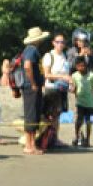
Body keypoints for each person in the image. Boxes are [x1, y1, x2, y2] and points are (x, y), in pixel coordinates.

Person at [19, 26, 50, 155]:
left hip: (32, 85)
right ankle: (29, 145)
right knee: (31, 115)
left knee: (33, 114)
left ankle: (31, 144)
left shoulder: (31, 50)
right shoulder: (31, 50)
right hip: (31, 86)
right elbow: (27, 66)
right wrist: (33, 83)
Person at [40, 33, 71, 146]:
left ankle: (54, 138)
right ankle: (45, 138)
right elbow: (47, 75)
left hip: (62, 89)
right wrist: (62, 77)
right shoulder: (49, 56)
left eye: (63, 42)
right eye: (58, 42)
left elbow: (67, 73)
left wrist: (70, 82)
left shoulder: (65, 56)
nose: (61, 44)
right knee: (48, 115)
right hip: (51, 89)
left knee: (57, 115)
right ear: (53, 43)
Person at [70, 56, 93, 147]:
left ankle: (87, 140)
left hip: (90, 103)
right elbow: (73, 88)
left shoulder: (91, 75)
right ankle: (77, 137)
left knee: (89, 122)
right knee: (79, 121)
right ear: (76, 67)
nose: (82, 68)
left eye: (83, 66)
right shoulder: (74, 75)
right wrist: (72, 89)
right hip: (80, 103)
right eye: (79, 66)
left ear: (86, 65)